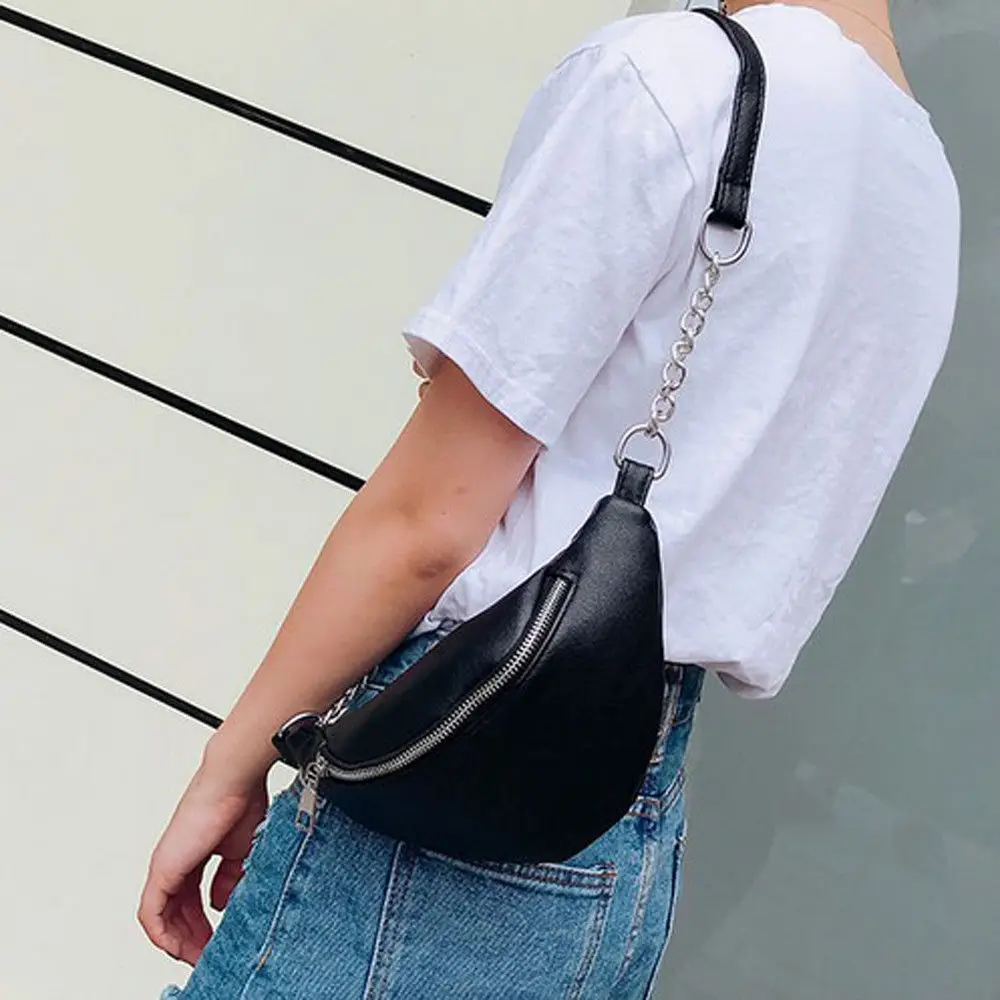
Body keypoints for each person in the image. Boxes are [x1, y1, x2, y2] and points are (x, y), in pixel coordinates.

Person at [140, 1, 960, 996]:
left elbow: (427, 524)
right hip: (633, 827)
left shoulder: (676, 80)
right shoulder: (922, 183)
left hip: (454, 778)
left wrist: (231, 765)